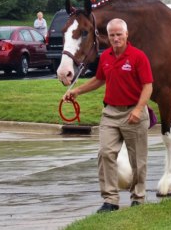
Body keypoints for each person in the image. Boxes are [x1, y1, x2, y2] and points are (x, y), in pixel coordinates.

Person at [63, 18, 153, 213]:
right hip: (111, 113)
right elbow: (99, 79)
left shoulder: (138, 57)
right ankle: (110, 200)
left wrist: (138, 110)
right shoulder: (105, 57)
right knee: (105, 153)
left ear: (126, 35)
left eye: (119, 34)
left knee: (138, 159)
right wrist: (77, 91)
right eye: (112, 35)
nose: (115, 38)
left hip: (134, 113)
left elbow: (148, 86)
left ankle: (138, 197)